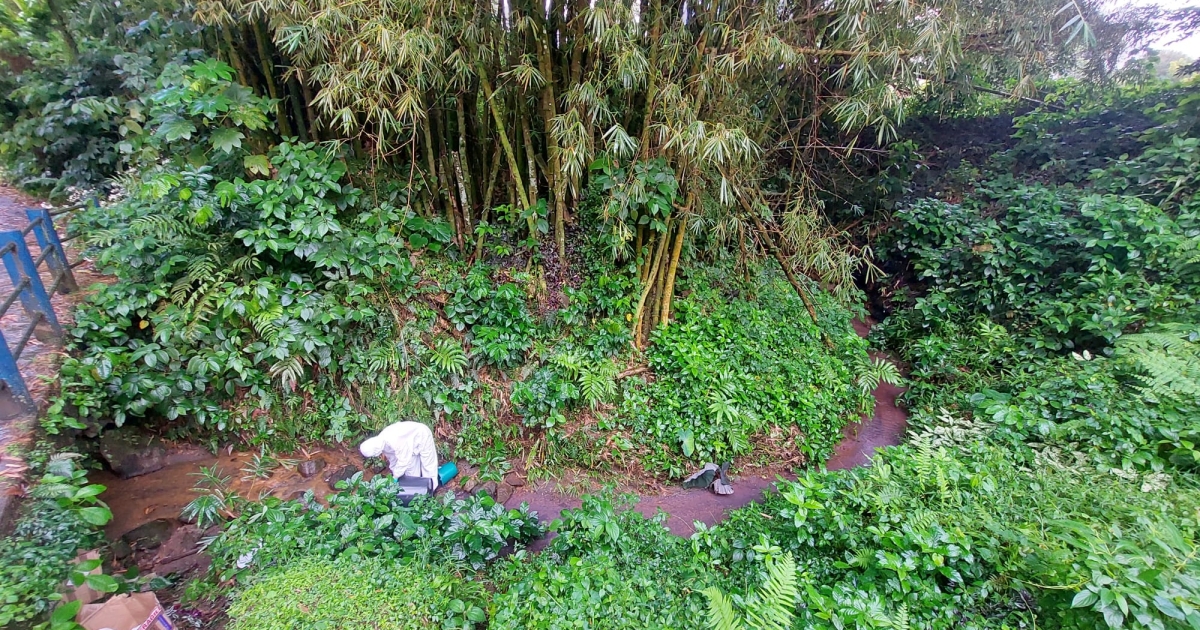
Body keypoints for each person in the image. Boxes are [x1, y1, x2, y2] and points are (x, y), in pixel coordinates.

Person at [359, 421, 439, 489]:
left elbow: (404, 460)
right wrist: (394, 473)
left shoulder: (393, 440)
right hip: (409, 445)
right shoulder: (382, 443)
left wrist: (395, 477)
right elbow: (393, 459)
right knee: (412, 473)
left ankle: (432, 489)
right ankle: (418, 492)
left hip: (421, 436)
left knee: (428, 466)